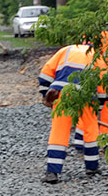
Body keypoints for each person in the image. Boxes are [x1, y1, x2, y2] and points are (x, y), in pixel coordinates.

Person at [37, 44, 103, 183]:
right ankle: (92, 167)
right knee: (91, 129)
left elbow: (46, 72)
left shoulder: (66, 50)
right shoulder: (98, 55)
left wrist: (44, 94)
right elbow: (103, 82)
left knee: (59, 130)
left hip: (63, 93)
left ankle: (52, 173)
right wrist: (100, 106)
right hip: (87, 96)